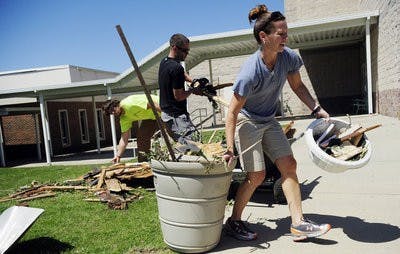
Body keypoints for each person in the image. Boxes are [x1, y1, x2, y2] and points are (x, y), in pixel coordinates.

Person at [223, 4, 331, 241]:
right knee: (257, 176)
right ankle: (234, 221)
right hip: (247, 120)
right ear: (264, 37)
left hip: (268, 119)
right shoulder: (250, 71)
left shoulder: (288, 57)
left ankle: (298, 223)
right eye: (280, 34)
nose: (286, 37)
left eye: (286, 33)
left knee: (289, 165)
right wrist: (230, 149)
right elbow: (231, 113)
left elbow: (297, 86)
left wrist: (316, 108)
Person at [158, 33, 208, 144]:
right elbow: (179, 96)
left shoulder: (165, 62)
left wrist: (194, 81)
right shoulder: (176, 68)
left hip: (167, 115)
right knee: (196, 146)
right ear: (175, 48)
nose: (187, 54)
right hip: (177, 118)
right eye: (185, 51)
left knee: (187, 148)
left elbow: (182, 75)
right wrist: (193, 90)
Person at [102, 94, 160, 163]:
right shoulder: (124, 119)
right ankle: (144, 163)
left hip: (160, 107)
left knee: (172, 131)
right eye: (111, 113)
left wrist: (167, 114)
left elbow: (151, 103)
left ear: (116, 104)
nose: (113, 113)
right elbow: (124, 138)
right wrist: (118, 155)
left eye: (112, 110)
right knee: (142, 138)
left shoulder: (129, 103)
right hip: (151, 117)